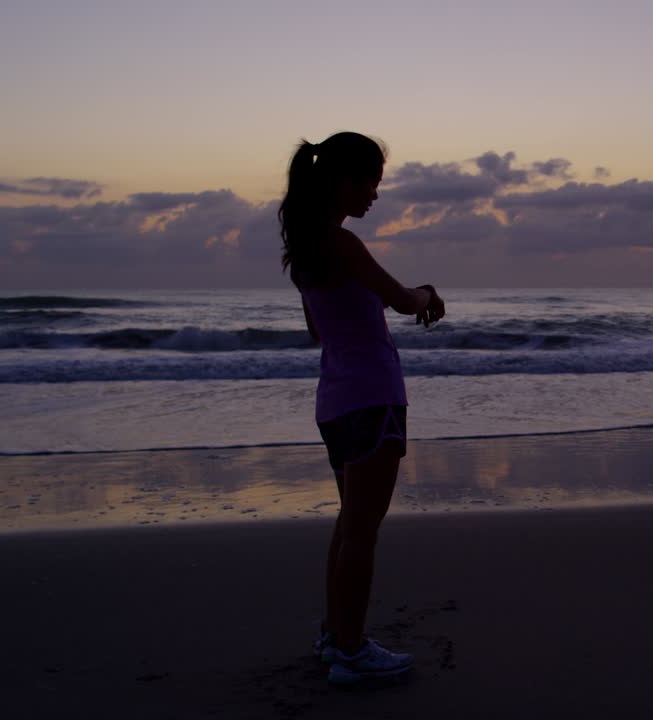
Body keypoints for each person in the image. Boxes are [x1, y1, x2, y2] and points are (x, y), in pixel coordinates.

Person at [278, 131, 445, 686]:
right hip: (373, 395)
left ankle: (335, 634)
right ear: (342, 181)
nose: (375, 193)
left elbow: (316, 329)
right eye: (371, 181)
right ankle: (351, 649)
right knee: (362, 531)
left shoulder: (305, 252)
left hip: (334, 399)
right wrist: (428, 294)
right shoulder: (343, 246)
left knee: (350, 525)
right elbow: (403, 300)